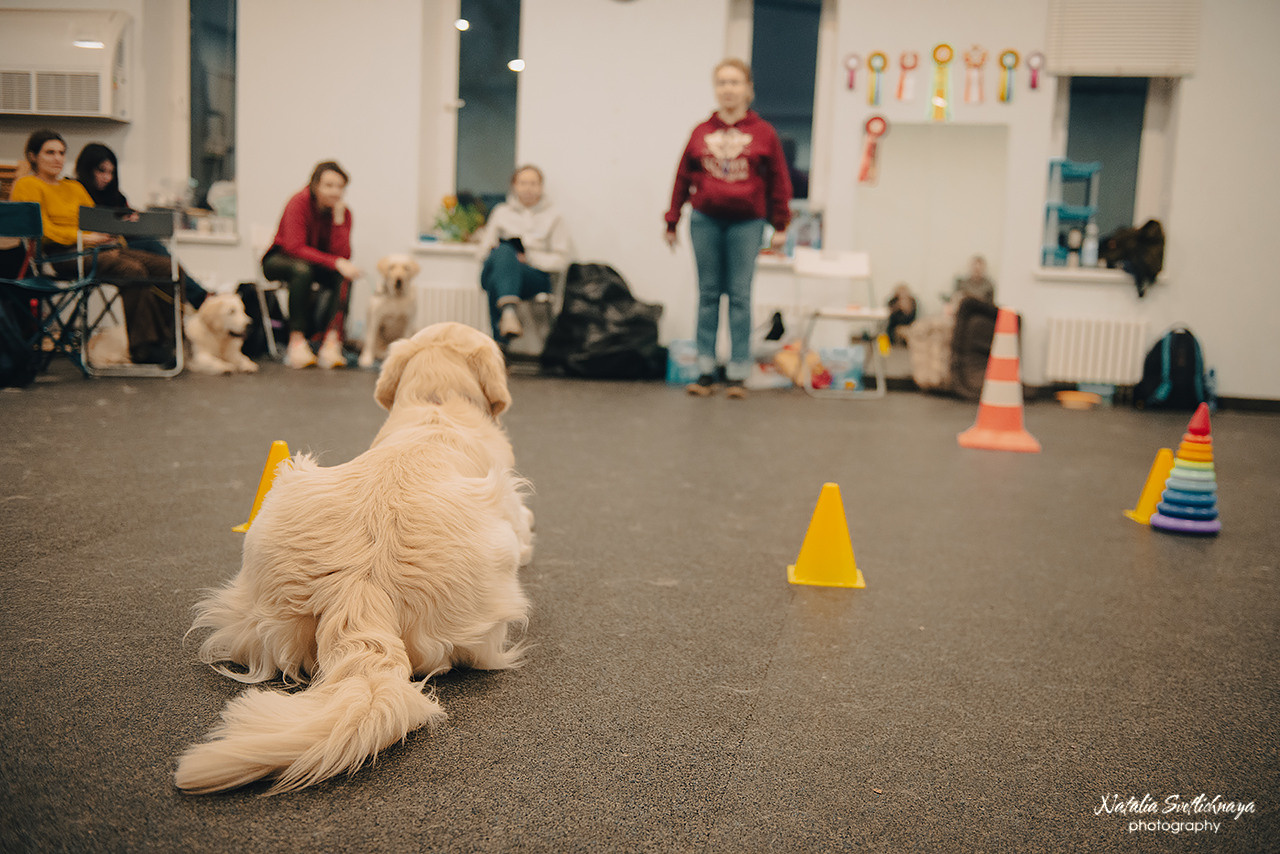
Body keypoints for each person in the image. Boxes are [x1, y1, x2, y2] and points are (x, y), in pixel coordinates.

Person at [665, 58, 791, 399]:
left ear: (748, 89)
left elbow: (779, 180)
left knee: (740, 296)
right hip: (705, 220)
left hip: (748, 223)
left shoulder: (763, 133)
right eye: (722, 83)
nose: (728, 90)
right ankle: (705, 369)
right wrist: (672, 219)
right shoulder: (700, 132)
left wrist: (781, 223)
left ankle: (737, 373)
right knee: (707, 296)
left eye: (735, 83)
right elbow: (681, 177)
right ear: (715, 89)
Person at [10, 130, 181, 365]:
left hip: (99, 249)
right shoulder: (27, 185)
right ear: (33, 156)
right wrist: (83, 238)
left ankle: (170, 341)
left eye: (61, 153)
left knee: (167, 266)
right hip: (61, 256)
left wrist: (118, 226)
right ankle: (144, 348)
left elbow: (97, 220)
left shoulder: (73, 188)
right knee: (133, 270)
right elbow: (42, 231)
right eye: (50, 153)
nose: (57, 158)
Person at [74, 142, 208, 308]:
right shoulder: (76, 191)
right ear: (88, 168)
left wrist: (133, 219)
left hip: (121, 243)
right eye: (101, 171)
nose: (107, 178)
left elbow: (127, 213)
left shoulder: (114, 195)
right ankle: (202, 297)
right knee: (150, 252)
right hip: (100, 250)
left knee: (161, 258)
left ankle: (193, 303)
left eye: (111, 172)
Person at [262, 160, 360, 369]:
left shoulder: (343, 213)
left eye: (340, 187)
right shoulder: (298, 202)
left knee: (343, 274)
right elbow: (294, 247)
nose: (335, 191)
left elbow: (343, 255)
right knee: (302, 269)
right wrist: (335, 262)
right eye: (329, 185)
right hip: (280, 260)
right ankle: (296, 340)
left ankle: (332, 340)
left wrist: (339, 222)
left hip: (314, 265)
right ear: (315, 185)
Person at [475, 165, 572, 342]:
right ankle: (509, 312)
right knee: (504, 252)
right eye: (523, 183)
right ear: (514, 186)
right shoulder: (501, 212)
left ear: (541, 187)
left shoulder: (554, 217)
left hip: (533, 277)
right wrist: (502, 254)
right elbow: (482, 252)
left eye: (533, 183)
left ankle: (501, 342)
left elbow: (560, 260)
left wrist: (529, 259)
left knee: (497, 279)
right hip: (495, 266)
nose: (528, 188)